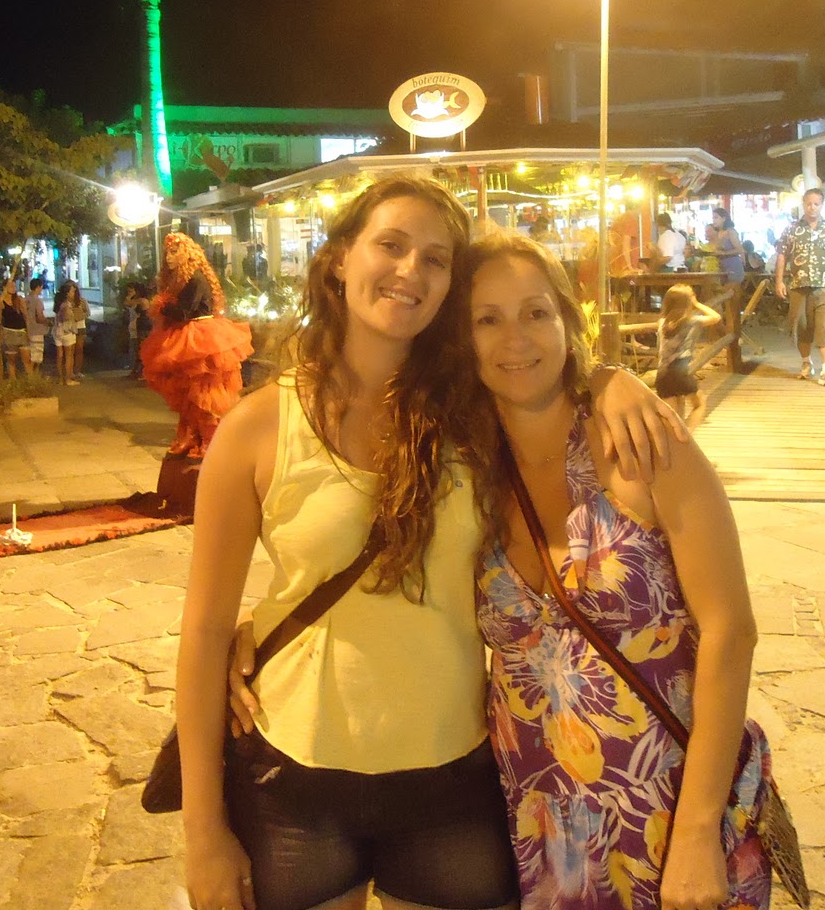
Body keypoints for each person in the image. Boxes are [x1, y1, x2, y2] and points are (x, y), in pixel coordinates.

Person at [178, 176, 681, 910]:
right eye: (391, 244)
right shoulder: (258, 427)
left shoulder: (475, 413)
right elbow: (202, 631)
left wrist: (609, 378)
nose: (410, 270)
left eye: (436, 259)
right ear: (341, 258)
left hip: (452, 779)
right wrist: (203, 832)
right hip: (293, 776)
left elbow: (545, 373)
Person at [464, 233, 770, 909]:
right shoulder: (466, 468)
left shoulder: (643, 444)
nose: (516, 339)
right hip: (540, 819)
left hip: (671, 805)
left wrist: (696, 832)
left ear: (567, 319)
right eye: (488, 319)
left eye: (536, 312)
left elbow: (731, 630)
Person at [140, 233, 253, 457]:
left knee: (204, 392)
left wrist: (161, 306)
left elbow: (184, 312)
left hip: (200, 338)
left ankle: (210, 440)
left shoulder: (195, 279)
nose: (168, 257)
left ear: (187, 254)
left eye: (174, 252)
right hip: (191, 335)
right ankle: (192, 436)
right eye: (167, 253)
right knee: (189, 393)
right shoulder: (185, 279)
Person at [774, 188, 825, 388]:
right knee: (802, 325)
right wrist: (779, 280)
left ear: (822, 205)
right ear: (803, 204)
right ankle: (806, 362)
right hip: (798, 284)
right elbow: (782, 254)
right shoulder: (791, 229)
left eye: (816, 204)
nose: (812, 207)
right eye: (809, 204)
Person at [652, 283, 723, 426]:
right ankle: (688, 434)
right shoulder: (691, 321)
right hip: (680, 370)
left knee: (673, 416)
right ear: (687, 302)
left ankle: (675, 438)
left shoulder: (661, 322)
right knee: (699, 405)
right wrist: (696, 304)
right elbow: (716, 317)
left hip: (662, 373)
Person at [53, 280, 86, 386]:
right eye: (72, 291)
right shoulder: (66, 305)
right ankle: (68, 379)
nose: (74, 293)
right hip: (67, 332)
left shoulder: (58, 303)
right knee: (69, 356)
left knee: (60, 355)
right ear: (67, 293)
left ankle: (60, 378)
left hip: (58, 331)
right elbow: (68, 319)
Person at [0, 278, 31, 375]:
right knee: (11, 361)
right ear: (4, 287)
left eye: (14, 286)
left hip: (21, 332)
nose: (13, 288)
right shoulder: (1, 301)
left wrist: (28, 331)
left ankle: (31, 380)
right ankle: (12, 380)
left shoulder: (19, 299)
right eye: (10, 286)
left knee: (27, 359)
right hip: (9, 333)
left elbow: (25, 316)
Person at [708, 207, 744, 281]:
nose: (714, 220)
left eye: (716, 218)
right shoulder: (718, 233)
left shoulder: (730, 232)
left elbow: (739, 249)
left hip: (733, 266)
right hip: (722, 267)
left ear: (723, 219)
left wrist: (724, 253)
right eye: (713, 218)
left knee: (731, 287)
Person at [25, 276, 51, 375]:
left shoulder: (25, 300)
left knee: (30, 354)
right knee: (37, 356)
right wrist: (48, 322)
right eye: (41, 287)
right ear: (38, 287)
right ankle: (33, 375)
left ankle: (31, 374)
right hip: (37, 331)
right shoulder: (37, 301)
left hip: (27, 330)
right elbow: (39, 317)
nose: (41, 290)